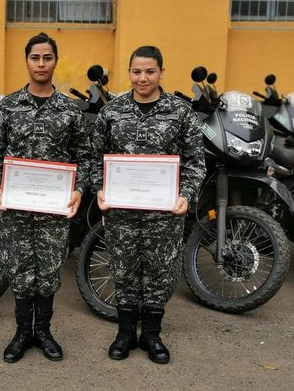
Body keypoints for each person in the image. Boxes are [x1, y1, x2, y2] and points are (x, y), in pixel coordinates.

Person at [90, 45, 205, 364]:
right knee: (123, 270)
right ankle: (125, 334)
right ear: (129, 73)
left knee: (159, 272)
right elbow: (94, 156)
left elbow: (196, 160)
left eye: (150, 71)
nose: (143, 78)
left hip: (164, 214)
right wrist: (99, 188)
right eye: (137, 71)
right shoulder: (111, 111)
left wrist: (186, 193)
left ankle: (152, 335)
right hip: (121, 213)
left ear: (162, 73)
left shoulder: (180, 112)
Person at [0, 32, 91, 363]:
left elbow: (85, 156)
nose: (41, 64)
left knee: (48, 270)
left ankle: (43, 332)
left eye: (47, 58)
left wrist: (79, 189)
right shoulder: (9, 105)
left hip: (53, 208)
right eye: (35, 58)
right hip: (16, 206)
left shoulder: (71, 110)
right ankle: (21, 333)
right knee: (19, 269)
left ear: (55, 61)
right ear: (27, 61)